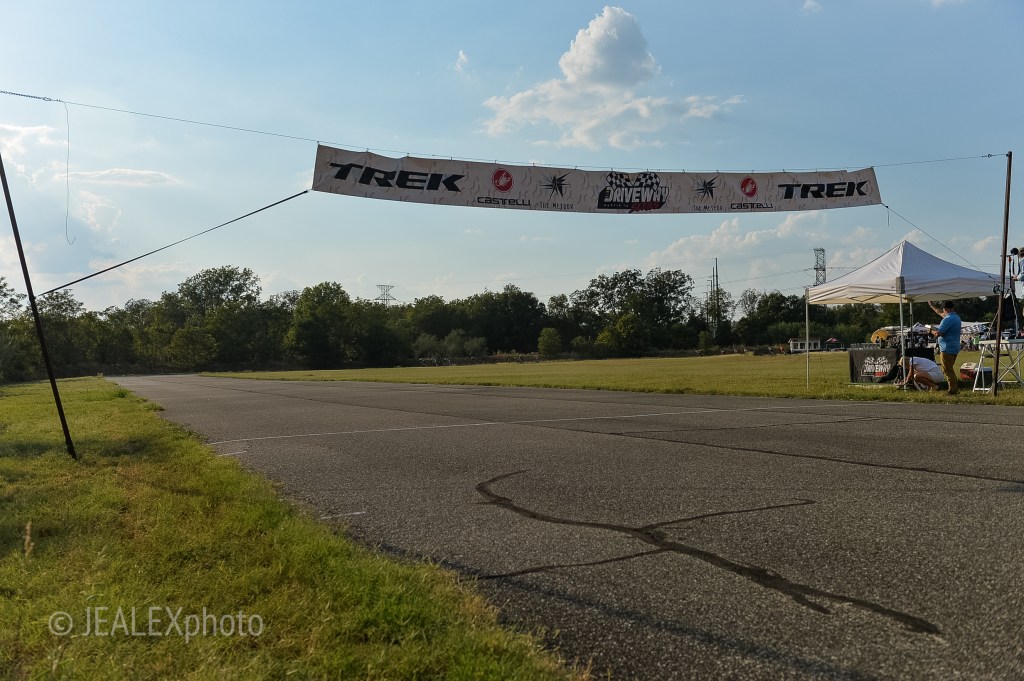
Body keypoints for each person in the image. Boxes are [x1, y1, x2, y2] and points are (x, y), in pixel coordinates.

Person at [928, 300, 962, 395]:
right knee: (949, 369)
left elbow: (938, 333)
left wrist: (931, 331)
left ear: (945, 309)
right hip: (954, 347)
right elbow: (940, 313)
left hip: (947, 348)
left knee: (947, 370)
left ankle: (953, 390)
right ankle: (953, 388)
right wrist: (932, 306)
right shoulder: (956, 317)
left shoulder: (947, 320)